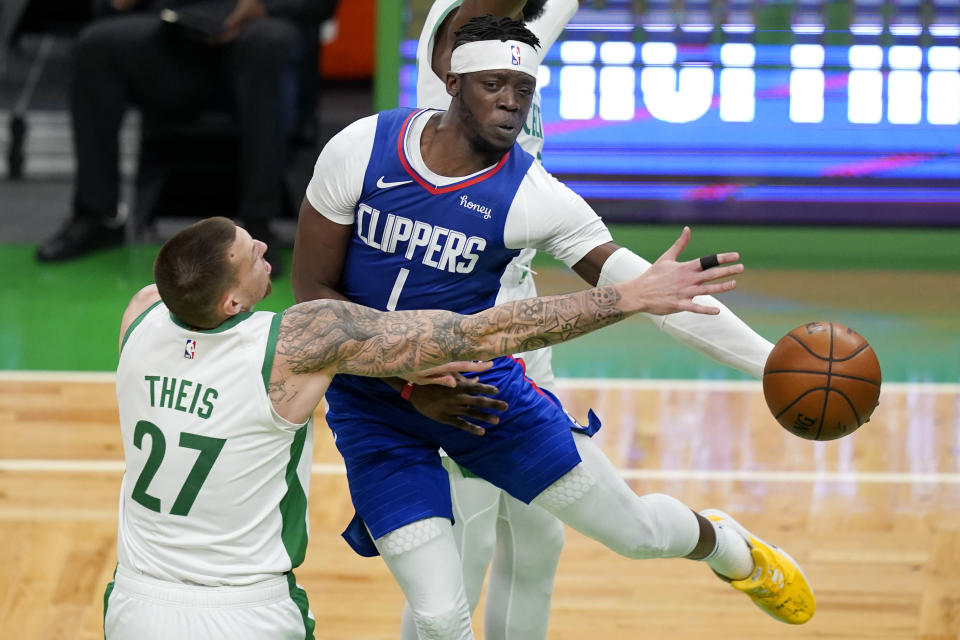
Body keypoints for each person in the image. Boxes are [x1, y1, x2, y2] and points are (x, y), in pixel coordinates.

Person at [292, 15, 815, 639]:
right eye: (494, 84)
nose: (511, 101)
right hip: (371, 406)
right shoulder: (362, 147)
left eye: (524, 88)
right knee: (439, 609)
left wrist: (776, 363)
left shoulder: (534, 196)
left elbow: (652, 290)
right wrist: (405, 381)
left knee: (636, 534)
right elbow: (311, 297)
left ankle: (729, 547)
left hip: (478, 396)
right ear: (452, 82)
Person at [105, 215, 737, 640]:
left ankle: (718, 543)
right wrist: (627, 296)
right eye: (250, 254)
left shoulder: (141, 316)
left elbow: (177, 287)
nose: (267, 247)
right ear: (234, 304)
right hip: (243, 609)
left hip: (134, 602)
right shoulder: (295, 343)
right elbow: (482, 332)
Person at [405, 1, 585, 638]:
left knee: (541, 537)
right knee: (464, 552)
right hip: (461, 313)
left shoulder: (522, 36)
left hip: (523, 313)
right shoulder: (457, 23)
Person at [35, 0, 338, 271]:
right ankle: (96, 216)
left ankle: (259, 224)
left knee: (269, 41)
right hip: (176, 38)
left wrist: (264, 8)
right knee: (95, 44)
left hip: (252, 36)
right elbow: (103, 9)